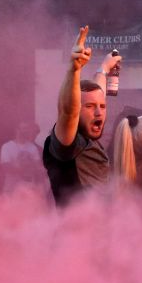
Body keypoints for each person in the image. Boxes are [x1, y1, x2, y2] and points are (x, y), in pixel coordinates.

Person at [42, 27, 119, 207]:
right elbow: (68, 111)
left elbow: (97, 93)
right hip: (77, 232)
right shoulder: (67, 143)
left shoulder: (88, 136)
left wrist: (104, 69)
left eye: (103, 106)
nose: (99, 112)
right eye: (90, 107)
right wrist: (74, 70)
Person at [0, 121, 43, 194]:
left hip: (29, 190)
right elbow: (5, 167)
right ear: (17, 130)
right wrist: (24, 168)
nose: (25, 131)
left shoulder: (32, 148)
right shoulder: (7, 147)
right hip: (11, 190)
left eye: (27, 129)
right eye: (24, 128)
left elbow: (38, 167)